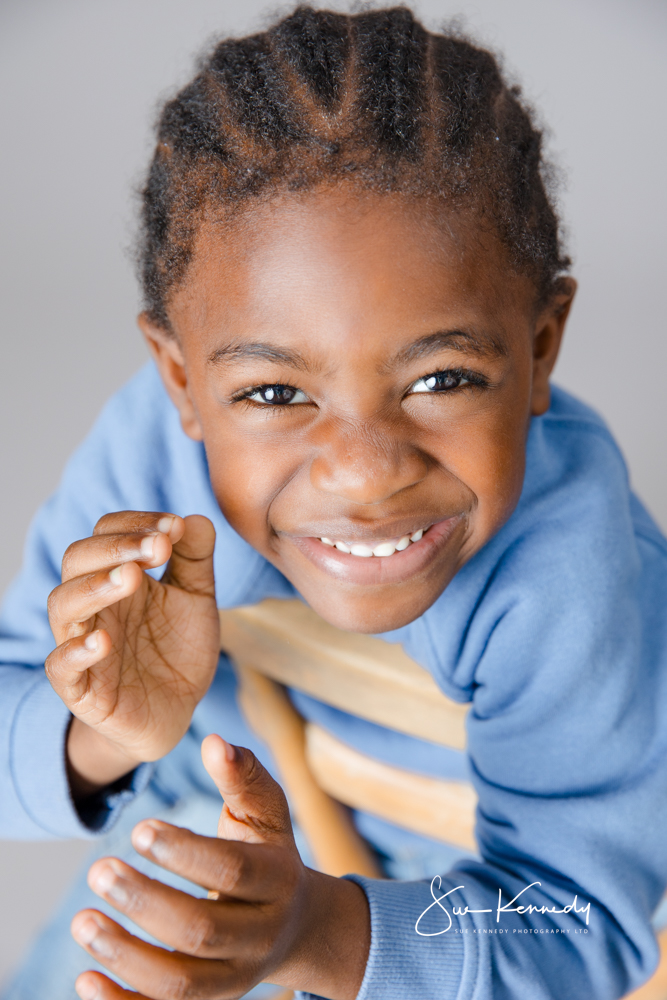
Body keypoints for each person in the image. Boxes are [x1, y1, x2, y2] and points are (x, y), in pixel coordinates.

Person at [2, 5, 667, 999]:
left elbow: (572, 921)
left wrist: (313, 925)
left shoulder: (567, 570)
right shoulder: (151, 467)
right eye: (274, 395)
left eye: (441, 378)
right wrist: (102, 734)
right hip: (220, 833)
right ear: (180, 381)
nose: (363, 472)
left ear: (538, 348)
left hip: (460, 919)